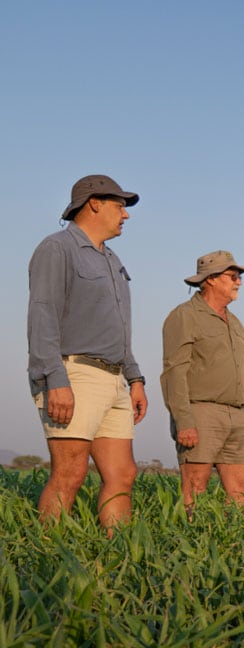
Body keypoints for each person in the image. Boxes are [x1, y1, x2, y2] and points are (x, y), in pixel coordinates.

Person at [27, 174, 148, 531]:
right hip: (74, 373)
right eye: (120, 206)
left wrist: (135, 378)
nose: (125, 215)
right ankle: (46, 557)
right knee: (70, 472)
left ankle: (118, 555)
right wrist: (55, 379)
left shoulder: (112, 260)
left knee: (123, 474)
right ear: (94, 203)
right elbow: (42, 315)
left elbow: (120, 328)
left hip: (114, 379)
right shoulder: (57, 248)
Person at [160, 251, 244, 514]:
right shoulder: (185, 315)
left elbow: (242, 372)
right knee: (195, 486)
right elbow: (174, 371)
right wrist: (184, 420)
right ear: (211, 280)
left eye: (239, 277)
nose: (239, 282)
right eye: (233, 276)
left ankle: (231, 546)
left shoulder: (235, 323)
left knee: (242, 488)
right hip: (200, 411)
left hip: (236, 414)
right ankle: (191, 544)